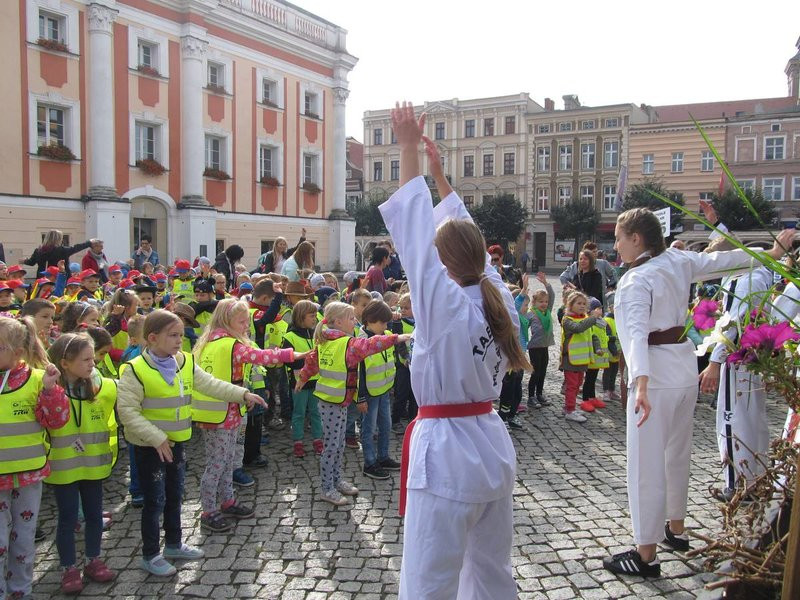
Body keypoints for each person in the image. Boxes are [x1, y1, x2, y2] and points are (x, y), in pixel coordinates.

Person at [379, 103, 528, 599]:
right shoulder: (497, 296)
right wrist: (439, 175)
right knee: (490, 572)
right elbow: (460, 238)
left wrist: (406, 149)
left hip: (445, 454)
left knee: (429, 580)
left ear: (442, 266)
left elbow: (418, 239)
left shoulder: (444, 305)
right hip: (490, 442)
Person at [602, 208, 795, 578]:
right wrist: (770, 254)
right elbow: (720, 261)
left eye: (618, 237)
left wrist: (640, 382)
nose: (616, 245)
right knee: (677, 452)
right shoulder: (677, 260)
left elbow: (634, 335)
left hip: (655, 376)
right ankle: (675, 529)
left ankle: (645, 554)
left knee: (646, 464)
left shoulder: (634, 281)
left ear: (636, 239)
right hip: (681, 368)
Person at [117, 310, 264, 576]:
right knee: (154, 501)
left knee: (175, 495)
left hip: (177, 443)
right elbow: (127, 412)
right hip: (150, 448)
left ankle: (174, 544)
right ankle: (150, 554)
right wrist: (156, 437)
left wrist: (242, 393)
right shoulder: (134, 369)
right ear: (152, 338)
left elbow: (210, 384)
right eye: (172, 335)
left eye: (180, 335)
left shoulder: (184, 361)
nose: (178, 341)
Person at [294, 301, 409, 506]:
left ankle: (337, 480)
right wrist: (397, 337)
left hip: (338, 401)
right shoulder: (347, 343)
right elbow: (371, 344)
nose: (355, 321)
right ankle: (327, 488)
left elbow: (312, 361)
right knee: (332, 447)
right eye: (351, 318)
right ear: (338, 322)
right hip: (332, 402)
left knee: (338, 445)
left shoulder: (328, 340)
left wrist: (303, 378)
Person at [191, 300, 288, 533]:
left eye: (247, 321)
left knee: (227, 460)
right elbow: (262, 357)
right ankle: (208, 510)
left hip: (227, 411)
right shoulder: (230, 345)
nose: (247, 325)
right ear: (226, 321)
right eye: (242, 321)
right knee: (216, 463)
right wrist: (293, 354)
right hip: (220, 413)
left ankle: (227, 500)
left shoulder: (211, 342)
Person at [698, 246, 774, 502]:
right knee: (752, 417)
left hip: (738, 357)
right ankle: (756, 478)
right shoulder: (759, 273)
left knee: (733, 420)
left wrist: (716, 360)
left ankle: (739, 484)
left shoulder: (747, 278)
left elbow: (735, 321)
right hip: (752, 356)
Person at [0, 316, 68, 600]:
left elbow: (56, 421)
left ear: (16, 353)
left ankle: (20, 590)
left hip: (29, 474)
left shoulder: (38, 379)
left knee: (24, 538)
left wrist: (51, 391)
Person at [45, 333, 117, 593]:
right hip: (64, 468)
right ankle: (68, 567)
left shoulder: (97, 387)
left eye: (92, 359)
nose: (92, 364)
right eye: (86, 360)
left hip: (92, 466)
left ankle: (93, 559)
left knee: (95, 516)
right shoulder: (51, 391)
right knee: (67, 519)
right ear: (65, 363)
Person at [357, 300, 402, 479]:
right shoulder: (361, 341)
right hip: (369, 394)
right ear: (369, 320)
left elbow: (399, 344)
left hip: (383, 389)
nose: (385, 326)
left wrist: (396, 322)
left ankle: (383, 457)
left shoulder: (386, 335)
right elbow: (359, 372)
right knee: (369, 429)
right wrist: (360, 397)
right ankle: (370, 463)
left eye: (387, 323)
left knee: (386, 425)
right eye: (381, 323)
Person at [282, 300, 323, 458]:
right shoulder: (290, 336)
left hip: (316, 381)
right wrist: (309, 360)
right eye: (311, 316)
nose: (315, 319)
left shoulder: (315, 333)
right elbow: (288, 360)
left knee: (316, 412)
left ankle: (318, 440)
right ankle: (298, 441)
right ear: (301, 317)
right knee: (299, 413)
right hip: (298, 382)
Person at [560, 291, 604, 422]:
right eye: (578, 303)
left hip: (582, 360)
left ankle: (570, 406)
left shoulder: (584, 318)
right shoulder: (567, 320)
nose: (582, 306)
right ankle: (569, 410)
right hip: (571, 360)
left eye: (584, 304)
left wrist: (598, 348)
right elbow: (578, 328)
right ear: (570, 305)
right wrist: (592, 318)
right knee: (572, 385)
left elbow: (592, 335)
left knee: (578, 384)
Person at [527, 272, 555, 408]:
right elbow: (522, 327)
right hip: (534, 347)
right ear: (534, 302)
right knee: (535, 371)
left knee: (543, 371)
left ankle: (539, 393)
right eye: (540, 302)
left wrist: (546, 284)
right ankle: (531, 396)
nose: (544, 304)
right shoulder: (531, 314)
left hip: (545, 346)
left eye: (545, 302)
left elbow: (553, 295)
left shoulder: (547, 311)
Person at [24, 230, 96, 274]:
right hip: (60, 278)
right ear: (58, 239)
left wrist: (24, 261)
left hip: (43, 279)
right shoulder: (61, 250)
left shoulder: (38, 251)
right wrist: (89, 243)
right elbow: (76, 248)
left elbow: (31, 262)